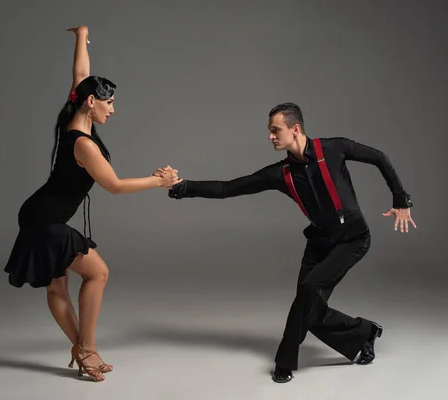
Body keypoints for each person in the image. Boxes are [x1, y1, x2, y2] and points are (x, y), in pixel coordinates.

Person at [156, 102, 416, 383]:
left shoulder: (334, 148)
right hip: (319, 240)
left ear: (295, 129)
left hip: (352, 238)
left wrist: (400, 199)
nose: (270, 136)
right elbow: (228, 188)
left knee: (307, 291)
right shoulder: (280, 174)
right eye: (269, 131)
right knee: (309, 305)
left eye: (274, 130)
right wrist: (182, 187)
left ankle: (284, 361)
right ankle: (362, 333)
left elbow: (379, 157)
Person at [3, 26, 182, 382]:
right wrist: (158, 181)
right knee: (97, 273)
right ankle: (87, 349)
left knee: (58, 286)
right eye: (109, 102)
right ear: (91, 102)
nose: (113, 110)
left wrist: (80, 37)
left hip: (39, 212)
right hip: (46, 219)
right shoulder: (83, 143)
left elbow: (82, 76)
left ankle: (85, 351)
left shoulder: (75, 113)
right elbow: (114, 185)